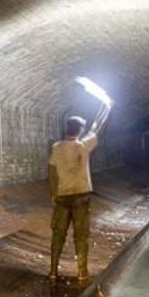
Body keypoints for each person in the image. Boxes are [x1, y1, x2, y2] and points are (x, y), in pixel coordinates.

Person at [48, 101, 113, 283]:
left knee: (58, 235)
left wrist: (53, 194)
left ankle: (53, 272)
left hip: (62, 196)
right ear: (80, 130)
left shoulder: (56, 147)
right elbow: (98, 128)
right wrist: (107, 108)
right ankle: (82, 273)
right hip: (81, 196)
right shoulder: (83, 145)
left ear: (68, 128)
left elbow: (52, 173)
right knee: (81, 236)